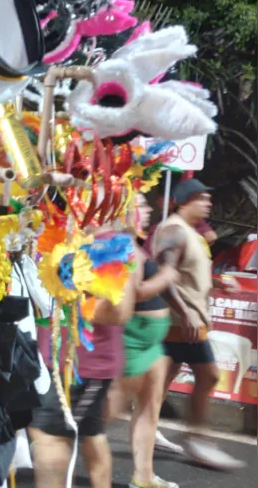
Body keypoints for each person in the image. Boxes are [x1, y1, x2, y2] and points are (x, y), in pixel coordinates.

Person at [29, 232, 138, 488]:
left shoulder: (109, 241)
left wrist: (74, 289)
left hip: (81, 366)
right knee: (90, 437)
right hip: (54, 360)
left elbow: (120, 313)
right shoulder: (50, 229)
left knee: (50, 442)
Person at [151, 179, 245, 470]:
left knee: (161, 380)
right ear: (183, 201)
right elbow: (164, 278)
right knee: (210, 375)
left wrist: (216, 282)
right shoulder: (174, 231)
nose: (208, 204)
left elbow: (184, 275)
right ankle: (196, 440)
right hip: (182, 321)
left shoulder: (189, 233)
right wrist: (186, 312)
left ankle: (145, 428)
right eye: (201, 198)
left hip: (187, 319)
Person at [107, 194, 180, 488]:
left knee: (150, 409)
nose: (148, 210)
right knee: (106, 413)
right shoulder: (122, 247)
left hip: (150, 343)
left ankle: (145, 476)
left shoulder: (133, 245)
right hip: (133, 341)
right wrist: (168, 274)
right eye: (141, 205)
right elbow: (135, 292)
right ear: (121, 210)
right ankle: (56, 443)